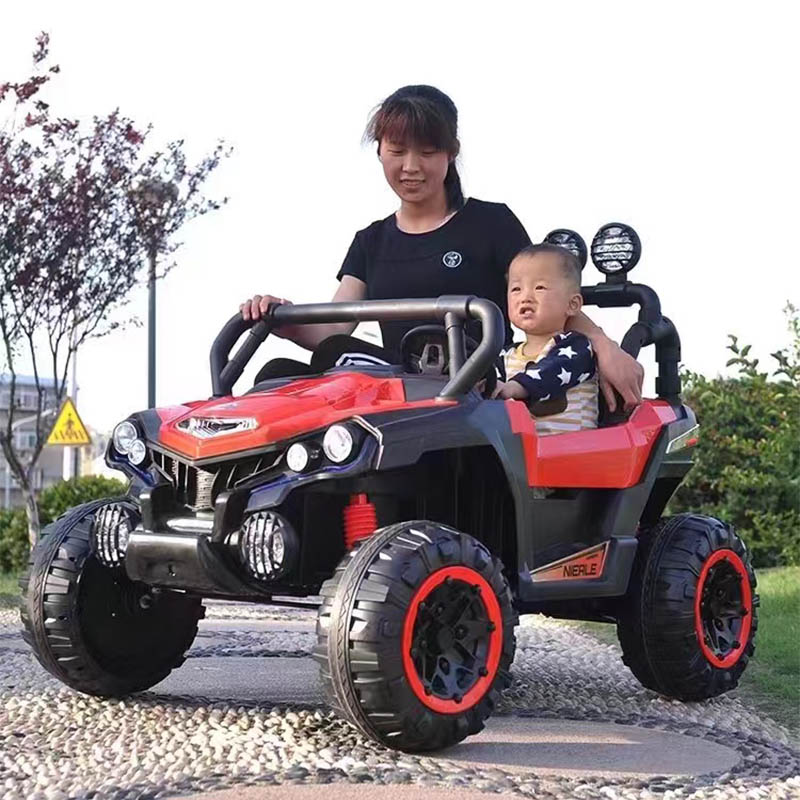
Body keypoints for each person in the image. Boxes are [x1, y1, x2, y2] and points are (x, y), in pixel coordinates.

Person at [241, 84, 643, 411]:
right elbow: (333, 326)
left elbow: (546, 297)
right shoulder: (370, 241)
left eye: (427, 152)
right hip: (392, 390)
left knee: (339, 354)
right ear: (379, 151)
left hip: (473, 384)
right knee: (276, 374)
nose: (410, 166)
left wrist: (604, 346)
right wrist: (283, 319)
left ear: (452, 153)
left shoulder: (491, 223)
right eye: (397, 151)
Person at [495, 244, 598, 436]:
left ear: (572, 304)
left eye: (539, 288)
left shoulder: (578, 348)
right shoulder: (504, 356)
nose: (525, 297)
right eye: (516, 289)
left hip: (575, 449)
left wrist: (517, 386)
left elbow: (552, 371)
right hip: (522, 450)